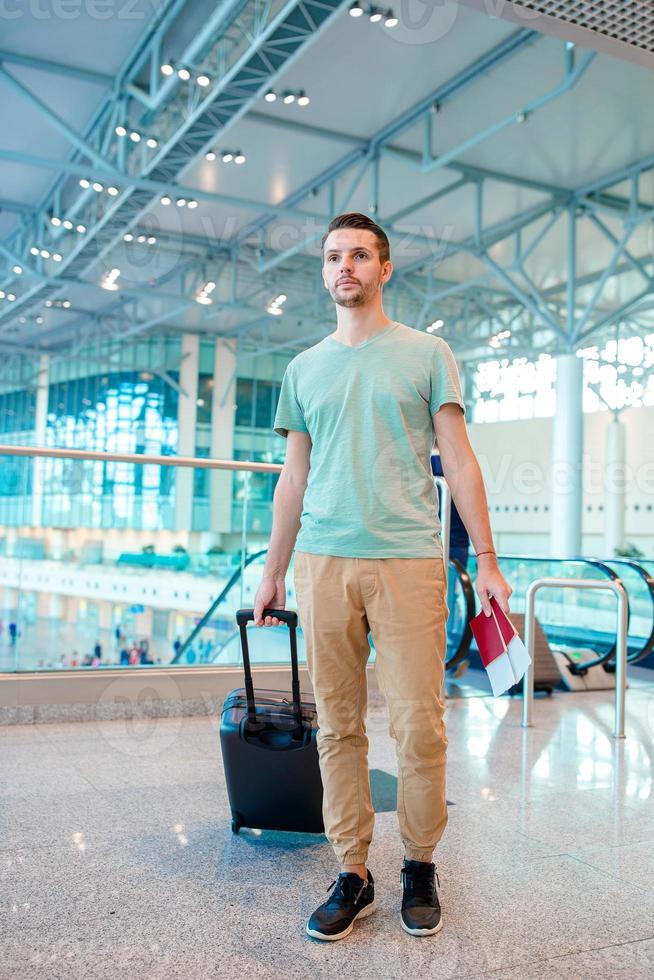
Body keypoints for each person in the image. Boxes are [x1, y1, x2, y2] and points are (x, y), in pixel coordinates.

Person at [253, 212, 512, 943]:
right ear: (324, 271)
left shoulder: (426, 354)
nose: (346, 266)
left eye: (360, 255)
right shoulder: (304, 369)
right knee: (337, 727)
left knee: (419, 725)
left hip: (407, 560)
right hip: (323, 563)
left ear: (384, 268)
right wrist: (273, 573)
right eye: (334, 256)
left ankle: (420, 865)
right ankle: (353, 871)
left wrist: (486, 560)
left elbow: (457, 460)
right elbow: (292, 478)